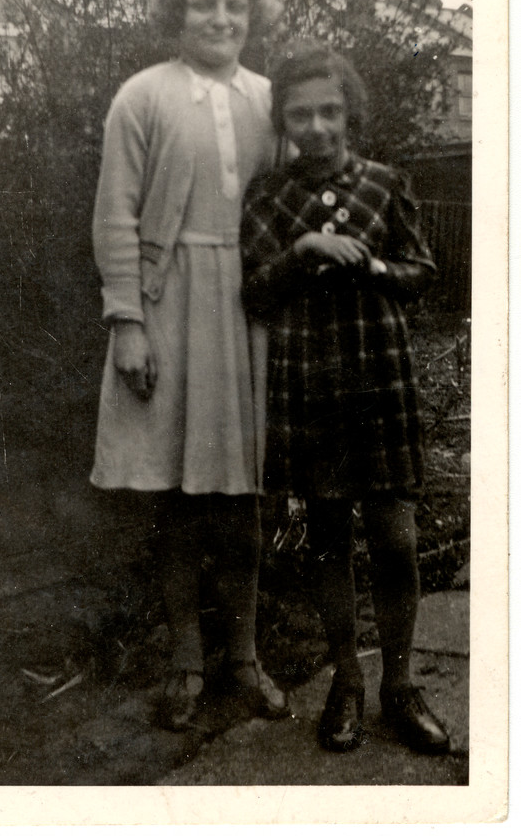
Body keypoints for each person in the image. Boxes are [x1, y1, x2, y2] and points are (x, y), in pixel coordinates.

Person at [91, 0, 289, 731]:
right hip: (168, 305)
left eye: (234, 6)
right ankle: (185, 663)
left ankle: (244, 658)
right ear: (177, 11)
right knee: (174, 499)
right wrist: (128, 322)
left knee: (242, 498)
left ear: (252, 15)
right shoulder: (142, 96)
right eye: (204, 5)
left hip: (250, 310)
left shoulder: (271, 100)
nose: (219, 18)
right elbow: (114, 214)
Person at [240, 44, 451, 755]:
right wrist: (301, 251)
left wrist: (376, 264)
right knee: (329, 540)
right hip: (312, 384)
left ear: (350, 111)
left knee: (394, 538)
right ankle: (346, 684)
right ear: (284, 121)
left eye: (330, 111)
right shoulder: (268, 197)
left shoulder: (386, 184)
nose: (318, 127)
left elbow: (424, 270)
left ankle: (398, 684)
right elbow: (255, 291)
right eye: (301, 114)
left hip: (380, 379)